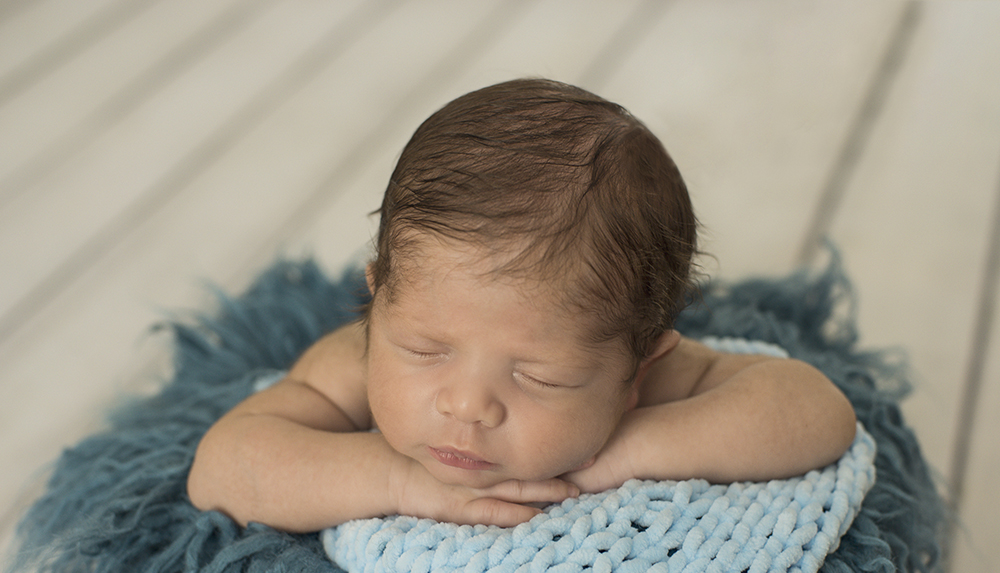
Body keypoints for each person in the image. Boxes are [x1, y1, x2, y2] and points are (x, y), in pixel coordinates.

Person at [187, 78, 857, 533]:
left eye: (540, 377)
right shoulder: (353, 364)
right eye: (423, 349)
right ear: (377, 302)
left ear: (639, 368)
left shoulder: (640, 384)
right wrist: (398, 482)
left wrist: (626, 452)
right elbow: (224, 467)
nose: (467, 404)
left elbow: (817, 412)